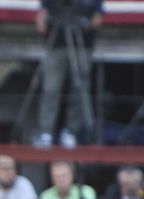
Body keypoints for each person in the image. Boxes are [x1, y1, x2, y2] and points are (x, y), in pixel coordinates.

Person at [33, 0, 103, 147]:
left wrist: (85, 25)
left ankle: (71, 131)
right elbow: (42, 16)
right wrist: (44, 22)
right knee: (50, 88)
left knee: (79, 88)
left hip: (82, 44)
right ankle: (45, 132)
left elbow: (98, 18)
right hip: (57, 43)